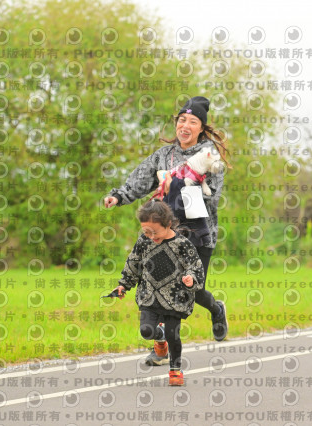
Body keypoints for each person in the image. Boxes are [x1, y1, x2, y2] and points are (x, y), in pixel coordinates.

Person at [103, 96, 229, 367]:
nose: (185, 126)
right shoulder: (164, 155)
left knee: (192, 289)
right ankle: (161, 347)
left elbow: (212, 198)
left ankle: (217, 309)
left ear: (201, 127)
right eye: (182, 120)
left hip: (198, 234)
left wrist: (178, 185)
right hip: (163, 234)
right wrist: (119, 196)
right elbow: (141, 179)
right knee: (160, 286)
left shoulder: (209, 157)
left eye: (192, 121)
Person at [112, 199, 204, 386]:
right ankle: (159, 337)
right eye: (147, 232)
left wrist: (191, 279)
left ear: (168, 224)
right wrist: (123, 285)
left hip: (175, 298)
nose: (151, 236)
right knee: (146, 331)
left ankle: (175, 369)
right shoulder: (144, 242)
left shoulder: (182, 244)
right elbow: (133, 263)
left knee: (173, 335)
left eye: (155, 232)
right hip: (149, 295)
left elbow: (195, 266)